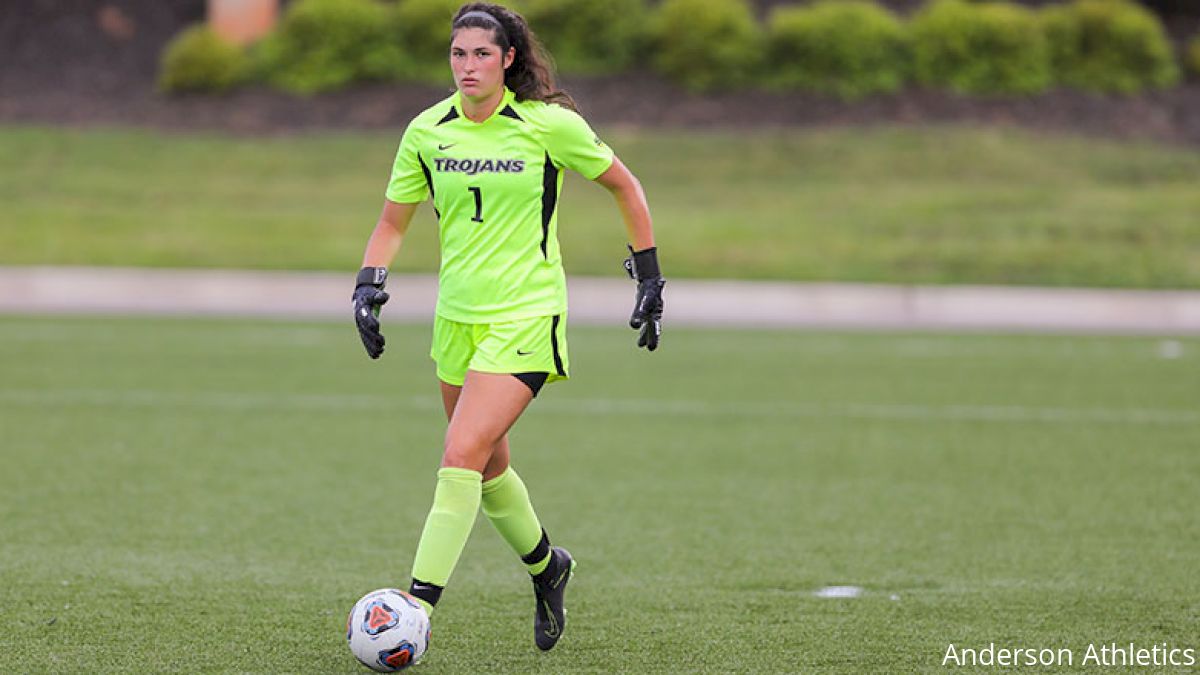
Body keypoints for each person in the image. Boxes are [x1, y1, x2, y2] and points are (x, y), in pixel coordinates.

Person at [350, 2, 665, 653]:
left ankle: (415, 607)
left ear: (509, 59)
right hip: (456, 322)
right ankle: (549, 566)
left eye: (482, 55)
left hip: (527, 315)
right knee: (488, 468)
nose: (468, 66)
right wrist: (369, 283)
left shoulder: (548, 125)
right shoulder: (427, 131)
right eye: (458, 54)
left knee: (459, 453)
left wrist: (650, 275)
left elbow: (625, 186)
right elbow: (393, 221)